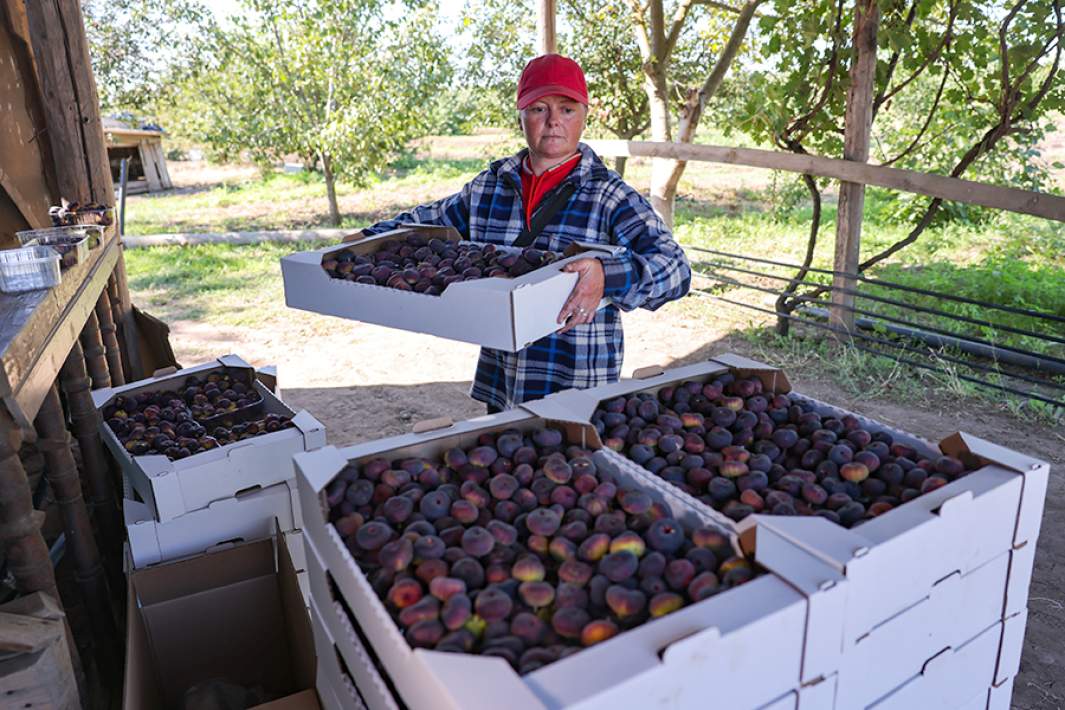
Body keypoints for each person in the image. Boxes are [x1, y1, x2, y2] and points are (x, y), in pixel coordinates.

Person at [352, 54, 691, 413]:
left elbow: (676, 269)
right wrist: (366, 238)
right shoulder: (490, 188)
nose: (553, 122)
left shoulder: (610, 196)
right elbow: (426, 222)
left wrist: (607, 275)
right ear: (520, 116)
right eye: (539, 109)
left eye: (567, 109)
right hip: (503, 378)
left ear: (585, 116)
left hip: (575, 383)